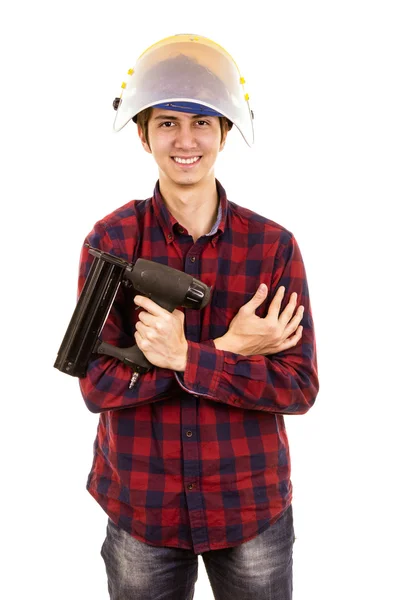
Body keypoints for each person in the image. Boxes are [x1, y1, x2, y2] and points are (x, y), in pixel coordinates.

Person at [77, 34, 319, 600]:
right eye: (166, 123)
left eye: (203, 123)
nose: (186, 141)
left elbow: (301, 387)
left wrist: (189, 356)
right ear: (142, 135)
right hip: (143, 509)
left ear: (225, 134)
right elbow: (96, 384)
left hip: (249, 507)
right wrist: (232, 349)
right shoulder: (111, 241)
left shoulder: (273, 248)